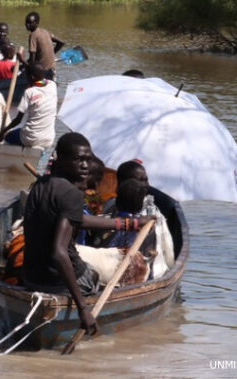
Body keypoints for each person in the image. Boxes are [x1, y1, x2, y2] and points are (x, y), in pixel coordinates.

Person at [22, 133, 154, 335]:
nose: (85, 165)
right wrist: (83, 308)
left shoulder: (40, 185)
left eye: (88, 159)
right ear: (60, 158)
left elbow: (78, 220)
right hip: (56, 282)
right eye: (78, 159)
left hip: (31, 277)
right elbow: (59, 252)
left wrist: (128, 223)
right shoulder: (71, 194)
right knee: (92, 275)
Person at [0, 63, 57, 149]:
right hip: (49, 138)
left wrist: (3, 132)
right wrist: (23, 62)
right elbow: (42, 81)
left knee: (8, 136)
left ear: (31, 77)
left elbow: (18, 120)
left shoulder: (29, 92)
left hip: (30, 138)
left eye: (26, 76)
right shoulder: (52, 85)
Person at [18, 11, 64, 81]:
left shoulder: (33, 35)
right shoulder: (45, 31)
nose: (27, 25)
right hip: (52, 69)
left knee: (25, 71)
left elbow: (32, 61)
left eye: (30, 23)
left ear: (36, 23)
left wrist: (22, 60)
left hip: (42, 71)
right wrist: (51, 54)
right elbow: (61, 43)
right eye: (26, 23)